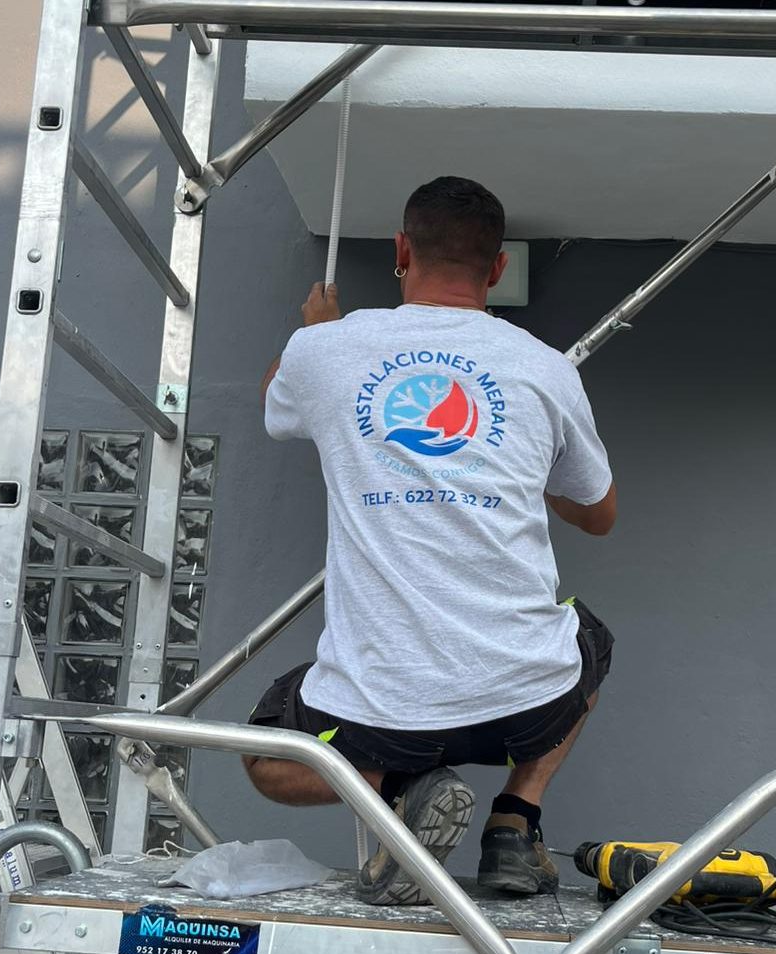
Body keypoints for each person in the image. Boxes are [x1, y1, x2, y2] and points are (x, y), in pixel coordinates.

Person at [247, 175, 616, 906]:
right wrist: (523, 475)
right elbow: (599, 514)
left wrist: (313, 333)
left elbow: (274, 406)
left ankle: (400, 784)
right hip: (522, 704)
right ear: (498, 267)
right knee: (590, 642)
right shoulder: (547, 368)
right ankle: (515, 819)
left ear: (401, 251)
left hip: (378, 715)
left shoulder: (327, 349)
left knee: (264, 752)